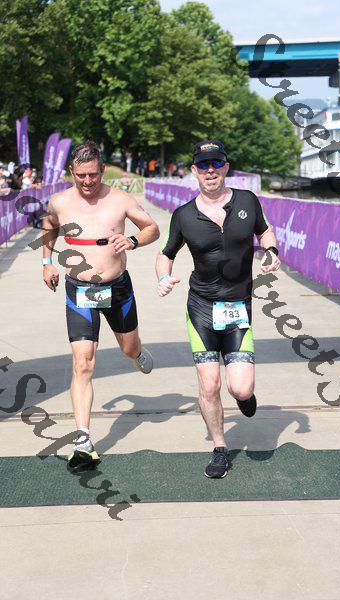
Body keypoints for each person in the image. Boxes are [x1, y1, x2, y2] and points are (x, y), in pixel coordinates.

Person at [156, 140, 280, 479]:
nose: (210, 170)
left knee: (240, 388)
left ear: (225, 167)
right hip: (201, 308)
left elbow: (265, 230)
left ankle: (244, 396)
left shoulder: (247, 201)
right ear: (194, 171)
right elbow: (166, 253)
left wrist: (271, 250)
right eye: (203, 164)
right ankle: (220, 447)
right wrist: (163, 278)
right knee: (209, 384)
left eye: (216, 163)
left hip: (238, 307)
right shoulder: (184, 215)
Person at [42, 140, 160, 469]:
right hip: (79, 289)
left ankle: (137, 353)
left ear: (102, 170)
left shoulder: (120, 199)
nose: (87, 181)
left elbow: (152, 228)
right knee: (83, 363)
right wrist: (46, 263)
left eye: (93, 175)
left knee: (128, 348)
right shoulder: (59, 202)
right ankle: (83, 439)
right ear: (71, 172)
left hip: (117, 288)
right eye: (81, 175)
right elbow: (49, 227)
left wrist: (133, 240)